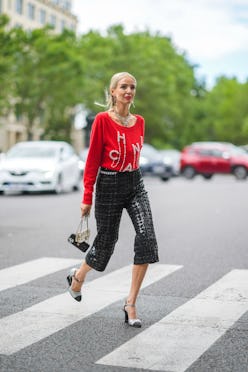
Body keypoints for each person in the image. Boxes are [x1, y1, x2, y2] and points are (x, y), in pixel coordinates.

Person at [67, 72, 159, 328]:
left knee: (147, 239)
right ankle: (78, 276)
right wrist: (87, 196)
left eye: (132, 87)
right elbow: (92, 160)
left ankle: (130, 303)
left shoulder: (139, 122)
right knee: (106, 243)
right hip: (108, 184)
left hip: (135, 183)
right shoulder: (102, 121)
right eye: (123, 87)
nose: (128, 91)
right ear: (113, 91)